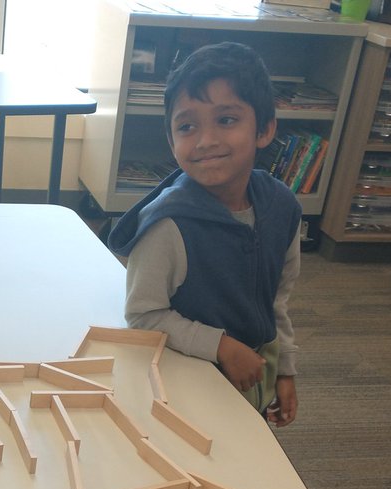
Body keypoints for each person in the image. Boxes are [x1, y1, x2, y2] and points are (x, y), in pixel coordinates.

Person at [107, 42, 301, 426]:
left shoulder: (281, 207)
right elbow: (143, 314)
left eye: (226, 120)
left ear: (264, 130)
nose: (206, 140)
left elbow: (275, 300)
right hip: (182, 384)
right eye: (187, 126)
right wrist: (221, 346)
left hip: (251, 373)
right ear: (171, 139)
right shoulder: (167, 225)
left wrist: (285, 369)